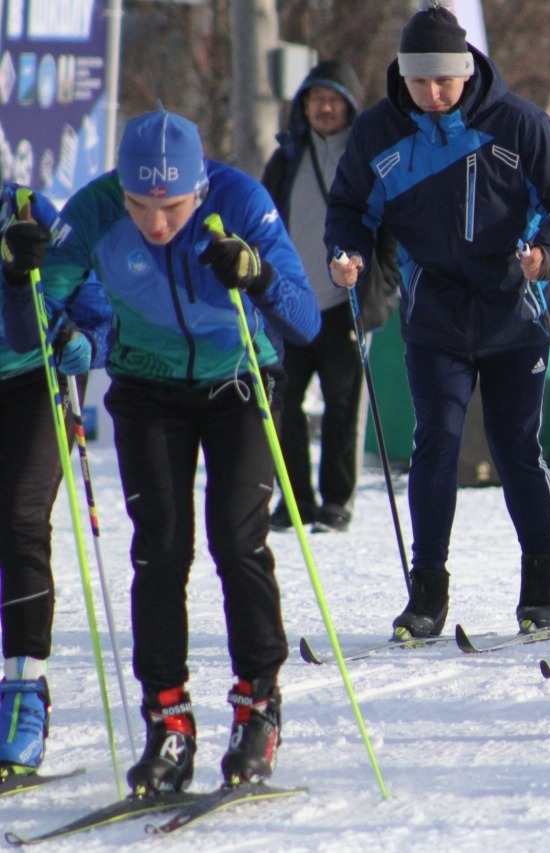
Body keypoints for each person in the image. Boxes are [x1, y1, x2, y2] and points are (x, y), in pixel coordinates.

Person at [4, 109, 320, 792]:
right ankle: (167, 720)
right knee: (160, 548)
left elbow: (304, 318)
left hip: (239, 382)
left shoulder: (240, 199)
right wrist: (16, 276)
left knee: (238, 542)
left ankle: (257, 704)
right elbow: (32, 335)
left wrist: (257, 273)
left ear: (198, 189)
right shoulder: (92, 211)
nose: (155, 222)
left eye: (171, 205)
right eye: (141, 205)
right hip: (147, 387)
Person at [325, 3, 550, 638]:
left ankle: (540, 576)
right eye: (419, 82)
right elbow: (349, 206)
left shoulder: (518, 123)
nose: (434, 94)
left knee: (515, 444)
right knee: (434, 443)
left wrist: (547, 253)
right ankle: (427, 590)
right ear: (402, 76)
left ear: (467, 70)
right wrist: (345, 252)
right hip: (434, 310)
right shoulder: (380, 132)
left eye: (445, 80)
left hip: (513, 307)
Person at [262, 59, 401, 534]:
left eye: (333, 99)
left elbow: (391, 229)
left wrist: (382, 288)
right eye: (315, 99)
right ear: (303, 105)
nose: (324, 108)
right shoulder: (285, 159)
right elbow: (264, 222)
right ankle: (295, 500)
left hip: (348, 303)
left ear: (350, 106)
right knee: (284, 401)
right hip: (290, 304)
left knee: (343, 404)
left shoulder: (367, 157)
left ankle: (337, 501)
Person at [0, 184, 109, 776]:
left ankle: (24, 691)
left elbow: (91, 296)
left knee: (19, 516)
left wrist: (86, 340)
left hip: (32, 378)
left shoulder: (26, 209)